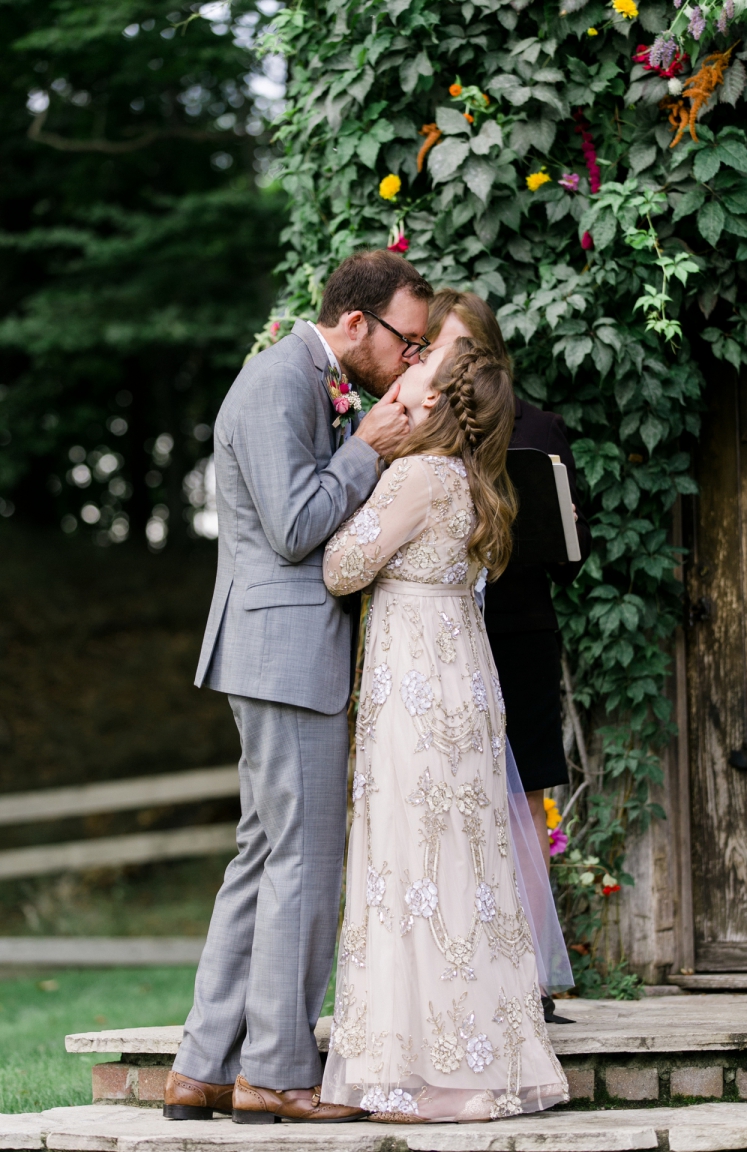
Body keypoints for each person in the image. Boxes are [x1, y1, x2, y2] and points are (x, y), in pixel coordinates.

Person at [164, 250, 433, 1125]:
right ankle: (275, 1074)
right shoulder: (282, 380)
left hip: (270, 648)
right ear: (355, 324)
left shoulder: (298, 375)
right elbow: (293, 528)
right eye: (406, 340)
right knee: (304, 864)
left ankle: (202, 1068)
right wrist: (368, 447)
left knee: (262, 858)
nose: (412, 361)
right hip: (284, 648)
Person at [320, 337, 570, 1124]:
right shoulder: (470, 476)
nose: (404, 377)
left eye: (418, 373)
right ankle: (475, 1056)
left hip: (419, 690)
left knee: (413, 863)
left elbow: (340, 567)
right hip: (459, 676)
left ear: (432, 402)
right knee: (460, 867)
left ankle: (434, 1073)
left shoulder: (416, 475)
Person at [426, 291, 591, 870]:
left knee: (523, 812)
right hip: (437, 647)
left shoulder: (540, 429)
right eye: (435, 348)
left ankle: (533, 963)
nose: (449, 363)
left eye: (463, 348)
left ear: (490, 352)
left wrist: (564, 522)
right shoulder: (412, 430)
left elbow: (572, 562)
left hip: (517, 641)